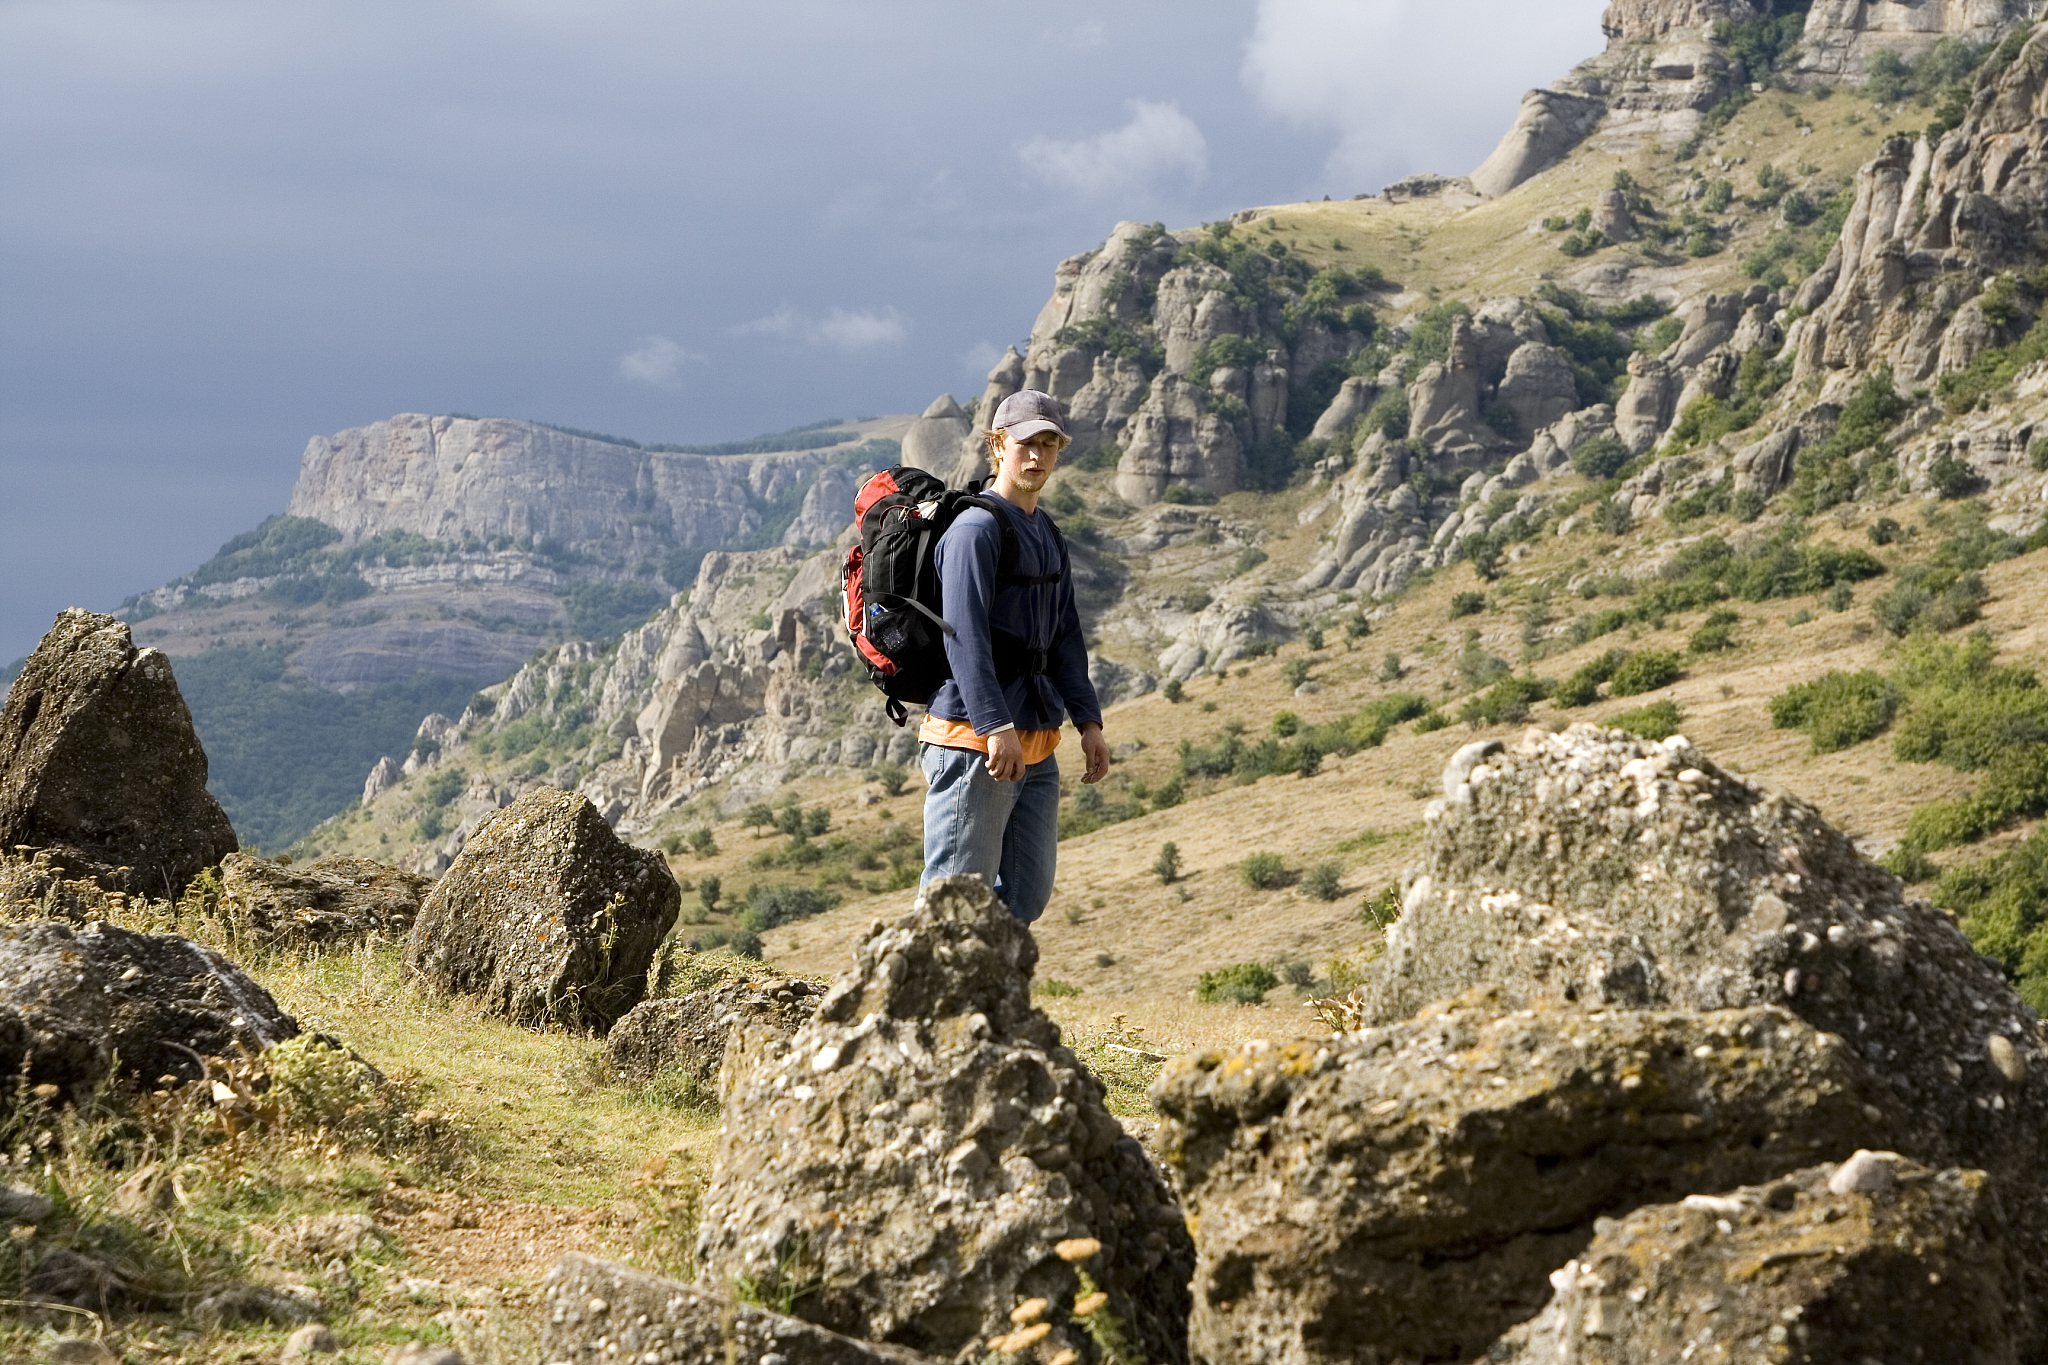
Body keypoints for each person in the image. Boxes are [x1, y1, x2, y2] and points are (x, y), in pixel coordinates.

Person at [918, 389, 1109, 922]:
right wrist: (994, 725)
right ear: (997, 446)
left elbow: (1065, 634)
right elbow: (964, 638)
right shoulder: (975, 530)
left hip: (1038, 741)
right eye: (1026, 443)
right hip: (974, 741)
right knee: (955, 897)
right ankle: (911, 1000)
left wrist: (1088, 721)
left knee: (1025, 894)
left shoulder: (1046, 531)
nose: (1037, 456)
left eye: (1049, 444)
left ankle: (981, 999)